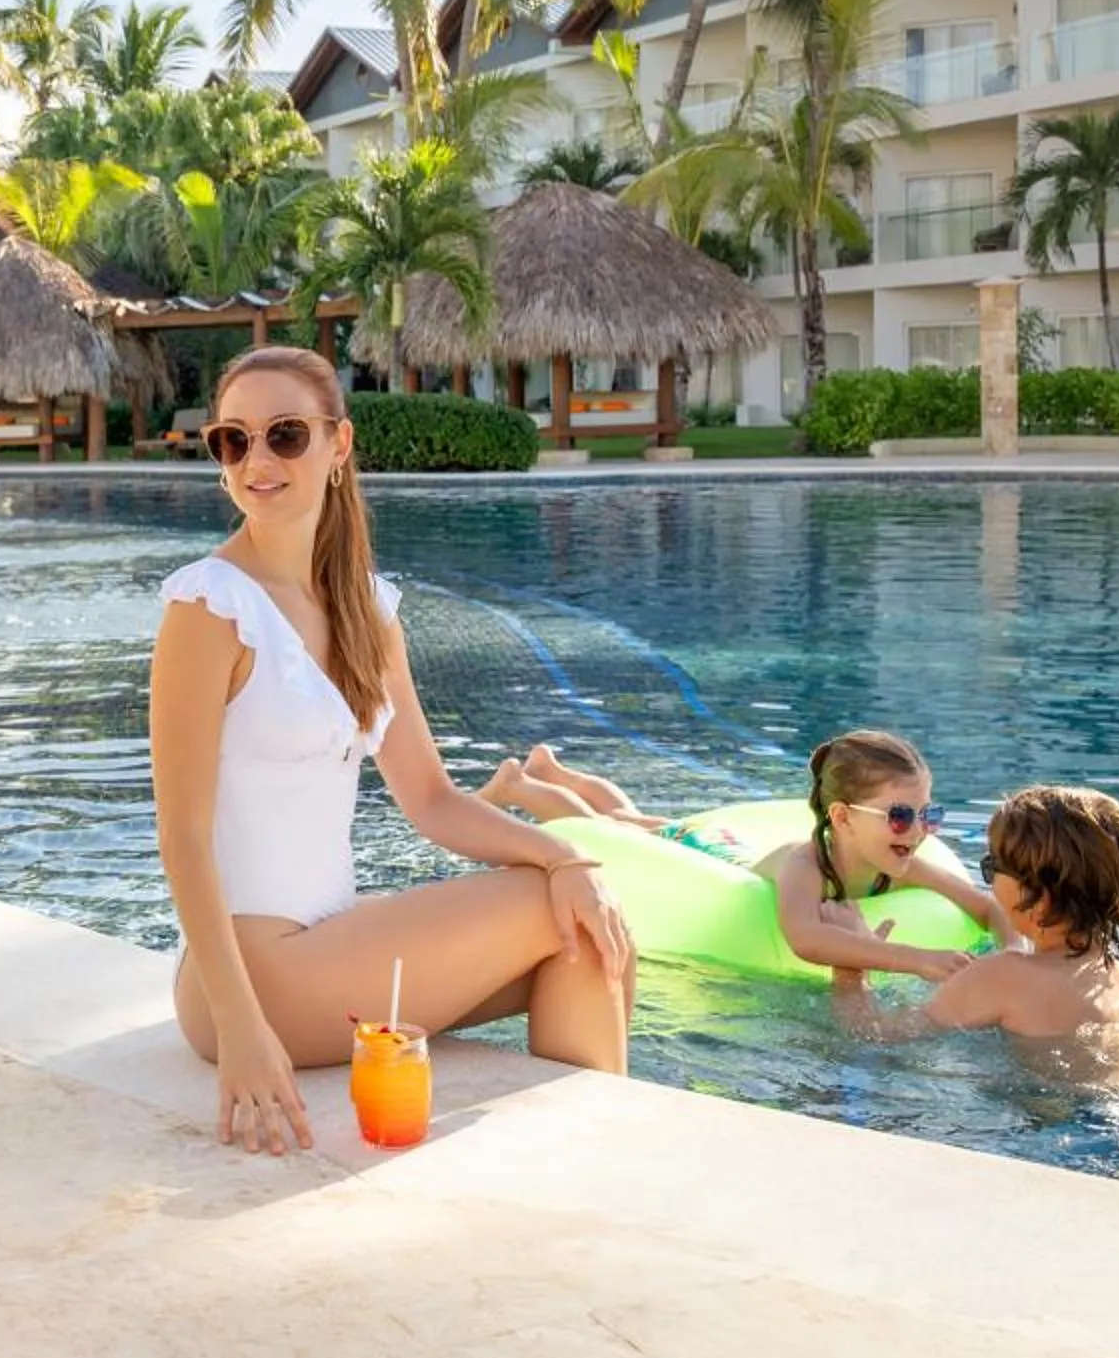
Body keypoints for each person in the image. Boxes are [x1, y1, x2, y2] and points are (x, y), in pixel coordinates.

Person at [149, 348, 635, 1158]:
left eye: (285, 435)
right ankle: (595, 1171)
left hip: (327, 948)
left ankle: (582, 1177)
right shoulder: (209, 606)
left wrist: (566, 857)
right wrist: (242, 1031)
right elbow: (183, 835)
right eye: (233, 441)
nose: (258, 460)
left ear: (338, 447)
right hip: (246, 973)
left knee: (588, 933)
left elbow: (433, 801)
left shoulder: (365, 611)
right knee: (548, 908)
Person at [485, 732, 1013, 977]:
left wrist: (1014, 956)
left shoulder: (899, 865)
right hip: (714, 858)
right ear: (844, 818)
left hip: (736, 851)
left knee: (639, 820)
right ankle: (525, 785)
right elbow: (807, 939)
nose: (918, 831)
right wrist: (916, 959)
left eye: (929, 815)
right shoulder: (808, 866)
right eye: (900, 816)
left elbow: (987, 905)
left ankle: (555, 771)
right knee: (617, 828)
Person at [830, 785, 1119, 1104]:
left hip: (1076, 1129)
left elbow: (876, 1038)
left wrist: (850, 969)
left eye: (992, 867)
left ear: (1036, 898)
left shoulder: (1001, 975)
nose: (988, 880)